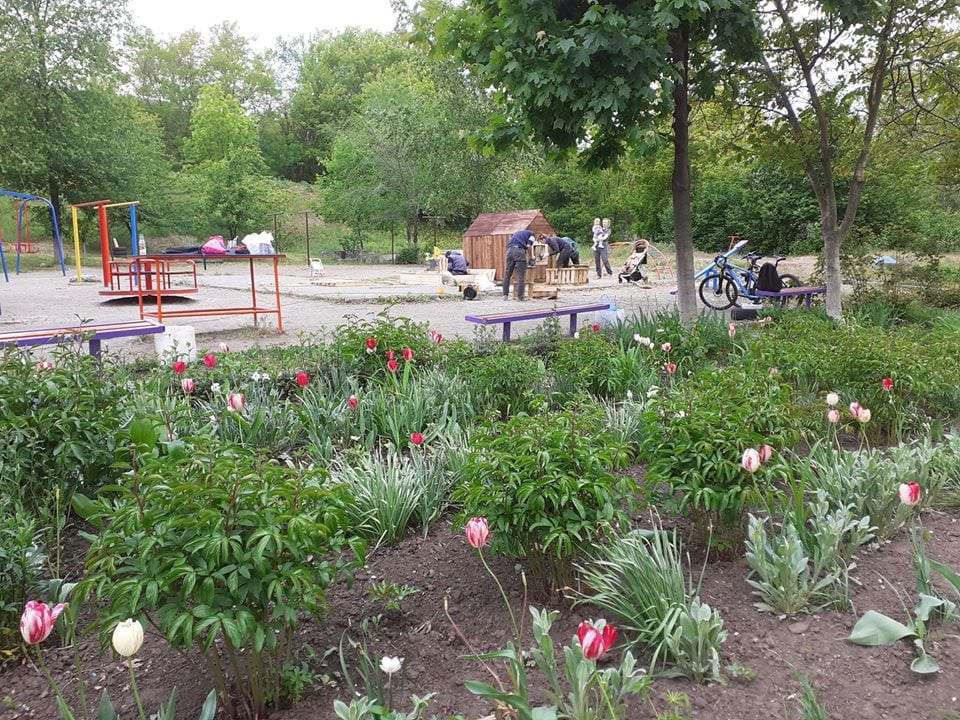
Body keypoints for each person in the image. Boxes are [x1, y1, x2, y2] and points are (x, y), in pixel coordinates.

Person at [503, 229, 535, 300]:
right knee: (520, 275)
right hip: (519, 251)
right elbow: (529, 246)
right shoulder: (532, 234)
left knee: (507, 274)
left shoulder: (516, 233)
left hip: (510, 251)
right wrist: (531, 257)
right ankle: (520, 297)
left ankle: (505, 295)